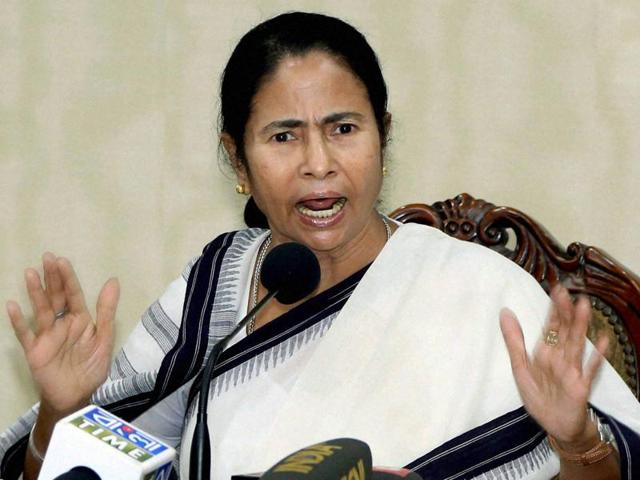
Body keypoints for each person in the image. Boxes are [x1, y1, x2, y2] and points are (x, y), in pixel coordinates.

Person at [2, 11, 639, 480]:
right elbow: (85, 469)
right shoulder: (217, 290)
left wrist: (577, 443)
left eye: (343, 129)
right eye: (283, 137)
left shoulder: (485, 294)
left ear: (382, 141)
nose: (318, 164)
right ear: (238, 159)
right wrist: (64, 410)